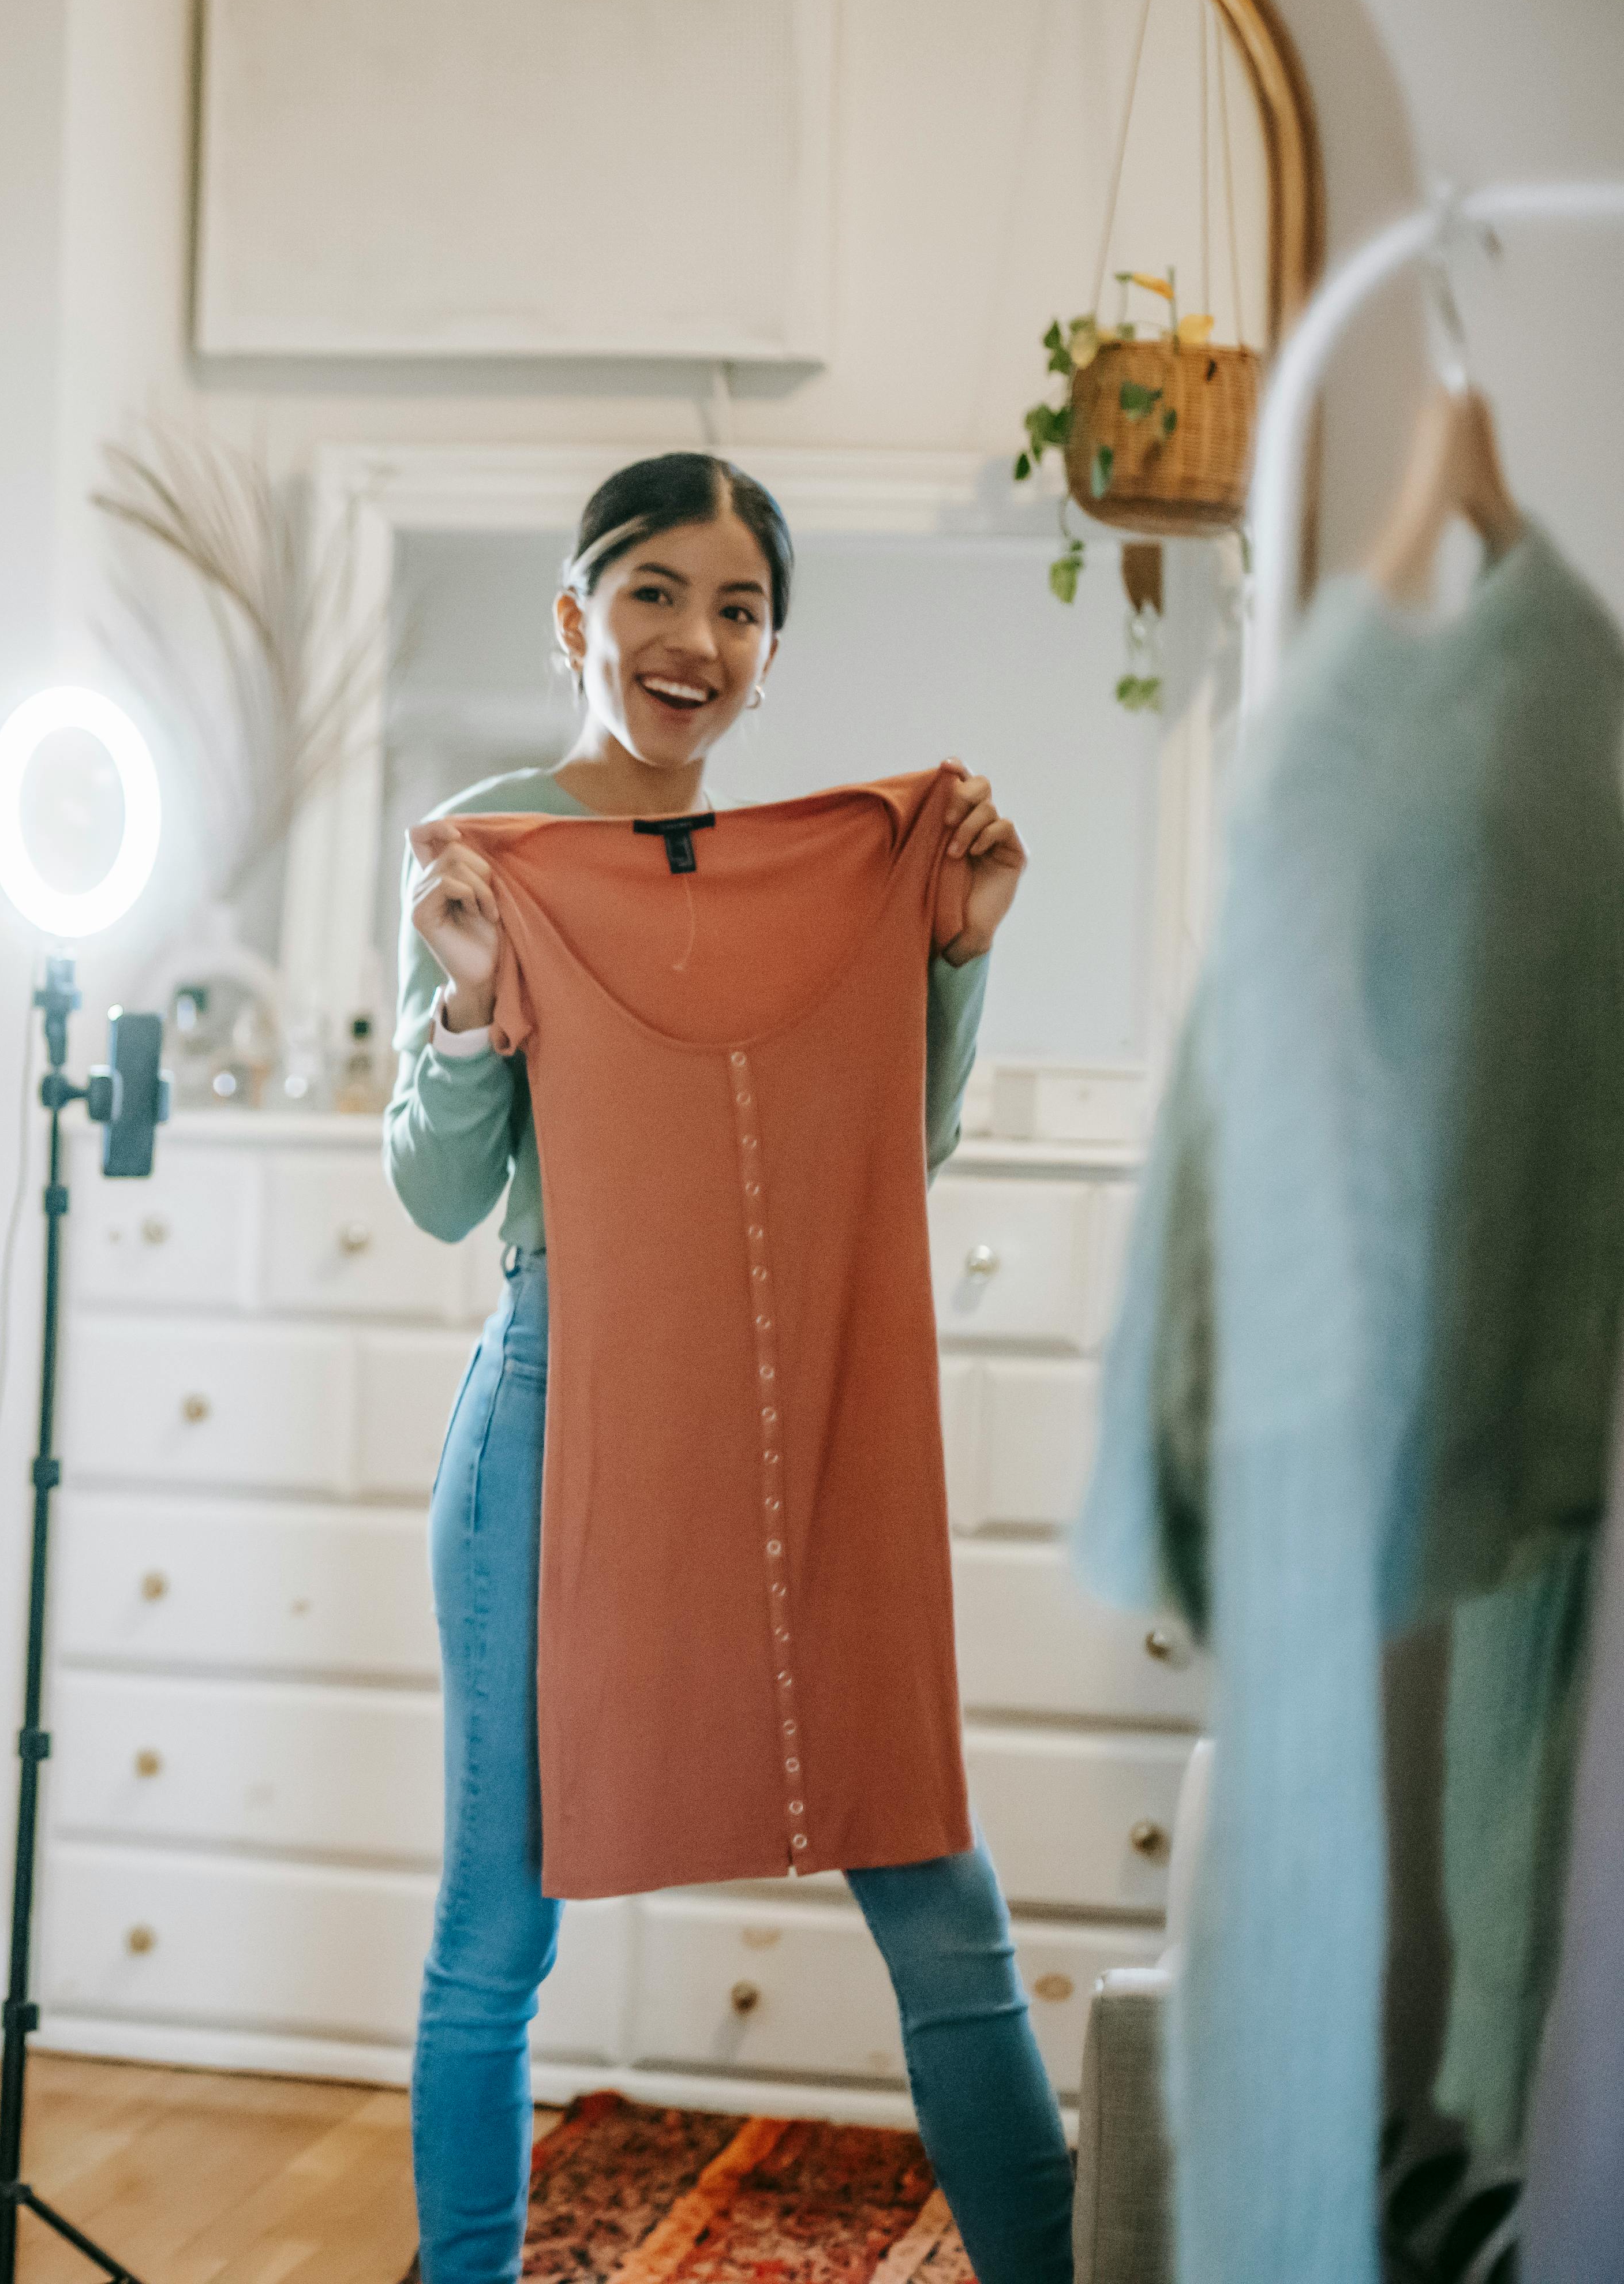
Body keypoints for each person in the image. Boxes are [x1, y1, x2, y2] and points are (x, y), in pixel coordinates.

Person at [388, 453, 1068, 2283]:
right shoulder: (495, 852)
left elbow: (883, 1151)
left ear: (774, 653)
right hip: (557, 1415)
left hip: (788, 1412)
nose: (698, 637)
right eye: (657, 593)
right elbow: (443, 1192)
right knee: (496, 1936)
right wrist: (463, 1001)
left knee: (936, 1886)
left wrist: (956, 959)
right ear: (577, 619)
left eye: (742, 606)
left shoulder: (814, 883)